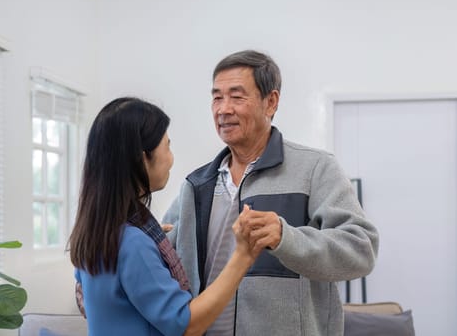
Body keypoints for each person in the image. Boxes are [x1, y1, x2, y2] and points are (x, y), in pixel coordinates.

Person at [162, 50, 380, 336]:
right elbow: (164, 262)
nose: (223, 109)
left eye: (237, 97)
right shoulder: (196, 186)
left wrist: (285, 238)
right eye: (217, 97)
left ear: (271, 102)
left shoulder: (315, 169)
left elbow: (361, 249)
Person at [68, 97, 262, 336]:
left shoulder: (96, 230)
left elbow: (89, 295)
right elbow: (186, 325)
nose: (171, 159)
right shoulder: (132, 243)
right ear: (142, 158)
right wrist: (243, 255)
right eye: (167, 147)